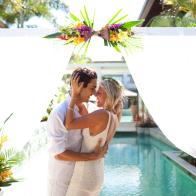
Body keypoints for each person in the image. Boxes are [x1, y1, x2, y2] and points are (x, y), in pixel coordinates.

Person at [47, 67, 108, 196]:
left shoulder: (87, 108)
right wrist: (93, 156)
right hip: (61, 181)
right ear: (80, 86)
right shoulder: (59, 113)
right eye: (92, 88)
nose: (93, 93)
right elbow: (59, 153)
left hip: (79, 180)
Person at [59, 75, 123, 196]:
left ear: (108, 95)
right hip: (96, 173)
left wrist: (73, 98)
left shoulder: (102, 114)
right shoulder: (114, 117)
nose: (95, 95)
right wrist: (82, 105)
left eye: (99, 93)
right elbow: (93, 129)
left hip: (85, 175)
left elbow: (69, 124)